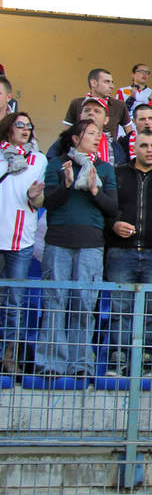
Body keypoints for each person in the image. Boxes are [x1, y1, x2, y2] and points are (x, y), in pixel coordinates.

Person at [36, 120, 117, 377]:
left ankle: (81, 365)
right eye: (91, 133)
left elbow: (112, 208)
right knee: (55, 301)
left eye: (98, 134)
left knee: (84, 304)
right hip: (59, 241)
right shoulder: (57, 164)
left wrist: (94, 190)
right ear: (74, 138)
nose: (96, 138)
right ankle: (50, 364)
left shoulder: (104, 168)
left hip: (91, 244)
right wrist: (67, 184)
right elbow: (50, 201)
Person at [105, 129, 152, 377]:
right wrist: (114, 224)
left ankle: (145, 365)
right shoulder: (118, 175)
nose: (149, 150)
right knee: (120, 310)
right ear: (134, 149)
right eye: (144, 145)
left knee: (150, 312)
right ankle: (118, 363)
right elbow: (106, 210)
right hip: (120, 253)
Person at [0, 112, 46, 372]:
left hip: (21, 239)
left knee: (14, 301)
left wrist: (34, 196)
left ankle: (9, 355)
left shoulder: (38, 160)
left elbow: (39, 201)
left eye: (29, 126)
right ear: (8, 129)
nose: (25, 129)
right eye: (20, 125)